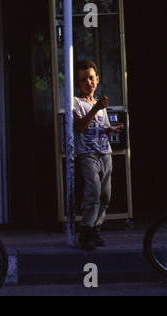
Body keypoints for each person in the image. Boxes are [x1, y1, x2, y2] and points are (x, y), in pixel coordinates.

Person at [73, 60, 124, 250]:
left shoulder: (98, 104)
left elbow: (99, 127)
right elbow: (79, 127)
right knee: (92, 192)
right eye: (83, 79)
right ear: (78, 83)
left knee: (105, 194)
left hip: (105, 153)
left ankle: (96, 228)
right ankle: (85, 229)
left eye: (91, 78)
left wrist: (110, 130)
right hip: (87, 153)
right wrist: (96, 109)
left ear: (97, 79)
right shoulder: (77, 102)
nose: (88, 83)